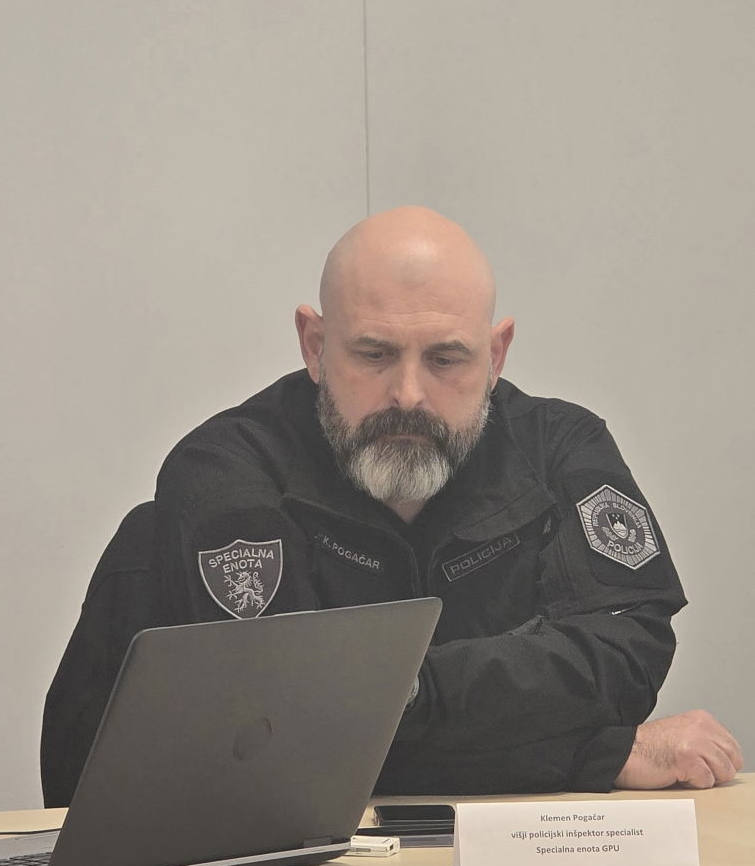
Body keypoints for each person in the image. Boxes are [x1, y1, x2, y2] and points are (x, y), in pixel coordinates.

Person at [152, 205, 742, 795]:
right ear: (315, 345)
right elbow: (286, 722)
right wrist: (595, 754)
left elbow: (625, 659)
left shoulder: (561, 448)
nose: (409, 395)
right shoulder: (225, 466)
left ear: (496, 355)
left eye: (445, 359)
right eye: (374, 354)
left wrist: (403, 694)